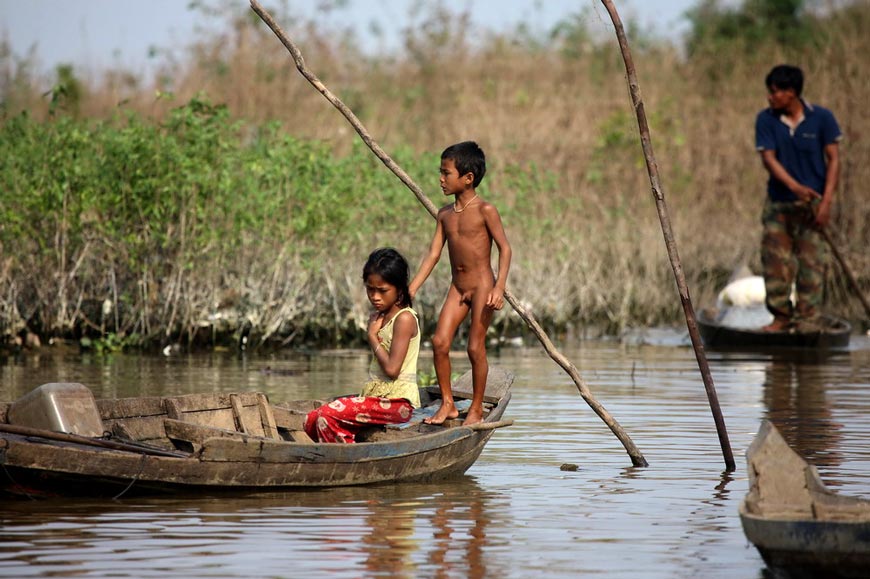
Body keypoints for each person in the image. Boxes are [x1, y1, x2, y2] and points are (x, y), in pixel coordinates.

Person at [409, 141, 512, 426]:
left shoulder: (485, 210)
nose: (441, 179)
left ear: (468, 178)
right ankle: (448, 404)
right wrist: (413, 287)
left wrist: (499, 287)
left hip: (481, 286)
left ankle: (476, 408)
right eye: (440, 173)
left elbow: (505, 248)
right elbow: (433, 254)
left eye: (446, 173)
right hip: (458, 287)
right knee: (440, 342)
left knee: (474, 348)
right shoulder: (444, 215)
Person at [755, 64, 842, 332]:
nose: (771, 97)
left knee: (812, 264)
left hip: (813, 206)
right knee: (775, 262)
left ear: (791, 93)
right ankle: (781, 317)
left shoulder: (822, 118)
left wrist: (825, 203)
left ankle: (807, 320)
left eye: (775, 92)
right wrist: (794, 187)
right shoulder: (766, 120)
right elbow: (769, 159)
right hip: (779, 204)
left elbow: (834, 159)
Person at [304, 248, 421, 443]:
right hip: (376, 399)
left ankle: (344, 459)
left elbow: (392, 370)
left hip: (399, 405)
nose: (375, 296)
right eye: (370, 289)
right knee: (311, 419)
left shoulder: (405, 319)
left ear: (400, 289)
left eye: (382, 291)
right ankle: (344, 450)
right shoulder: (380, 317)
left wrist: (372, 336)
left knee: (326, 416)